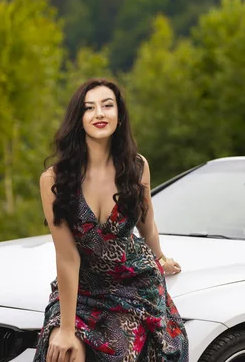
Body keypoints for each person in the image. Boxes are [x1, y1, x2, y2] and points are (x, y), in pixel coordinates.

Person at [33, 78, 189, 362]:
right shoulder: (54, 180)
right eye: (89, 108)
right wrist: (67, 329)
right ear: (79, 119)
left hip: (132, 286)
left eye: (108, 106)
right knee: (64, 352)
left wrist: (161, 257)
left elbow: (146, 223)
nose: (100, 114)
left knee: (119, 354)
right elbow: (67, 258)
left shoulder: (136, 167)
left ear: (119, 115)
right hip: (82, 289)